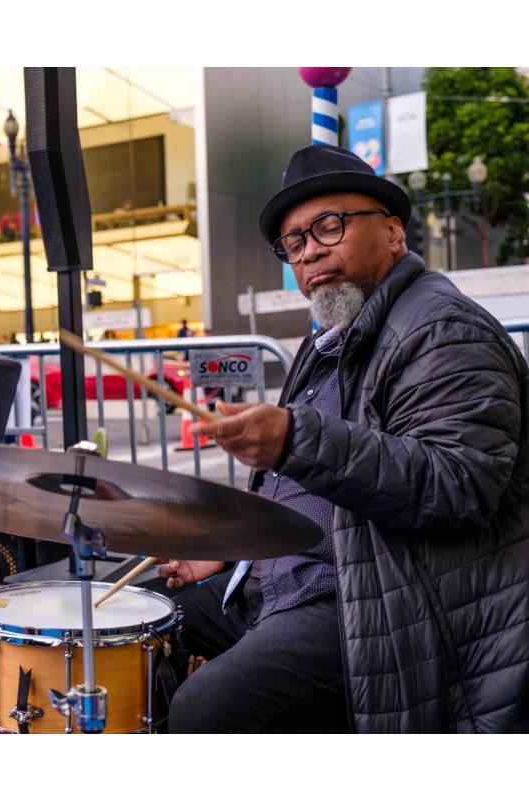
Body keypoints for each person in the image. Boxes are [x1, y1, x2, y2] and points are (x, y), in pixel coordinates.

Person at [161, 143, 528, 733]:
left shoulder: (443, 330)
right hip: (294, 579)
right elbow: (307, 496)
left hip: (384, 601)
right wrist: (231, 549)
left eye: (328, 226)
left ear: (392, 232)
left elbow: (459, 486)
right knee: (144, 617)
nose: (310, 253)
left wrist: (295, 440)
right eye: (295, 242)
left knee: (205, 707)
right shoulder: (328, 339)